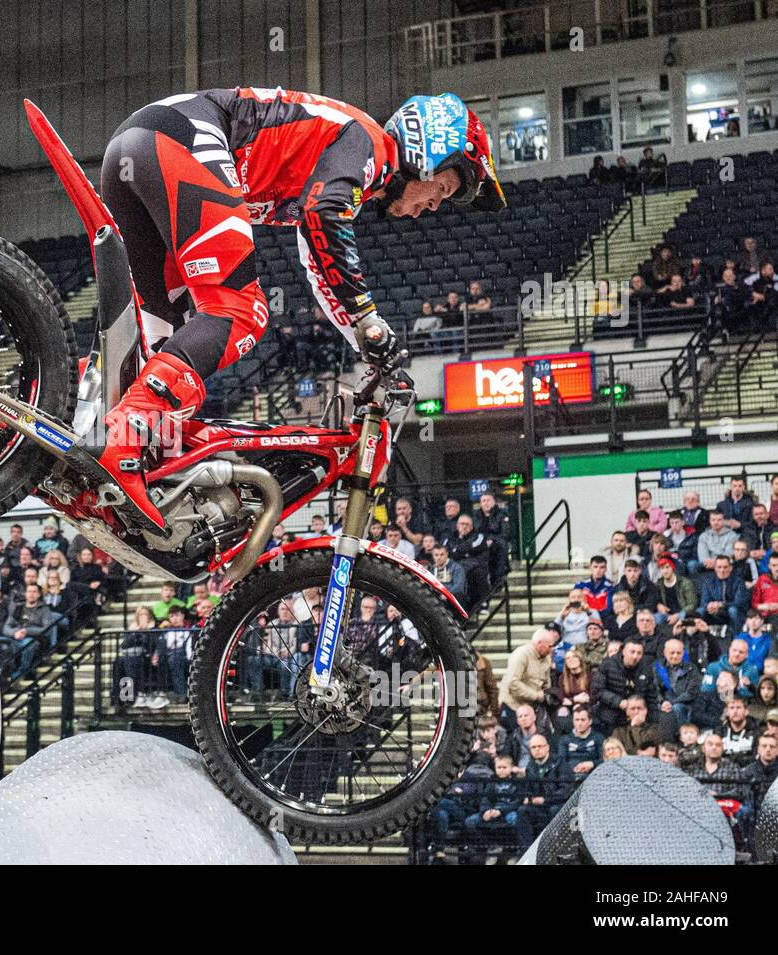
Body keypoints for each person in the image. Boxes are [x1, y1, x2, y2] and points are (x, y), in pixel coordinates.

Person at [91, 88, 505, 530]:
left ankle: (90, 442)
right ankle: (123, 436)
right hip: (180, 137)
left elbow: (318, 266)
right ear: (428, 150)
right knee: (239, 311)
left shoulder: (342, 167)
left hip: (134, 147)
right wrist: (371, 324)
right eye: (441, 188)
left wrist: (369, 340)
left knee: (167, 343)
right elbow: (323, 216)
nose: (433, 206)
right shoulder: (369, 143)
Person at [464, 755, 532, 856]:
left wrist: (501, 811)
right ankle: (489, 846)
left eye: (504, 767)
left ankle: (514, 849)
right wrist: (485, 811)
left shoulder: (517, 782)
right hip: (493, 809)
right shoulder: (492, 782)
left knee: (514, 819)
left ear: (511, 768)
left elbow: (518, 801)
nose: (501, 770)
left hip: (509, 810)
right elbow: (485, 799)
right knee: (469, 821)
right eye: (498, 768)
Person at [591, 639, 660, 733]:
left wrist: (653, 720)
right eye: (632, 652)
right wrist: (618, 701)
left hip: (637, 713)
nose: (635, 656)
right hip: (611, 713)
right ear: (623, 651)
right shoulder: (607, 665)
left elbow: (651, 697)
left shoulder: (646, 668)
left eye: (639, 653)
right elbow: (597, 690)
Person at [498, 629, 555, 729]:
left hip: (531, 707)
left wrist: (547, 693)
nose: (552, 649)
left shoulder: (547, 657)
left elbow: (546, 682)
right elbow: (513, 683)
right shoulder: (521, 654)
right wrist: (536, 695)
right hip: (512, 705)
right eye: (550, 646)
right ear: (539, 643)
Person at [654, 637, 701, 730]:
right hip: (662, 704)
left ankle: (681, 736)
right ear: (665, 653)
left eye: (678, 653)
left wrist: (672, 703)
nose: (675, 656)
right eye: (672, 653)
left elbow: (692, 692)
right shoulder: (657, 668)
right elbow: (655, 689)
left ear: (683, 653)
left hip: (684, 704)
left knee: (677, 708)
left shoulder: (692, 669)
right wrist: (662, 703)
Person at [698, 554, 749, 633]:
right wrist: (710, 606)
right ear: (715, 568)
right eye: (719, 567)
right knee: (700, 611)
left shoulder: (739, 581)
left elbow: (739, 603)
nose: (722, 570)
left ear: (730, 568)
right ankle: (699, 638)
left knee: (733, 610)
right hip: (714, 613)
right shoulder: (708, 581)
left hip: (732, 613)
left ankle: (737, 636)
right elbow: (704, 602)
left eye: (725, 567)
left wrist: (721, 605)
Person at [557, 705, 604, 776]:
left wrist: (592, 764)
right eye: (577, 720)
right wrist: (573, 768)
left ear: (590, 721)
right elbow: (561, 762)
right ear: (573, 721)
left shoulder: (599, 737)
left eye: (583, 720)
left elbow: (605, 760)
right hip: (571, 776)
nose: (579, 723)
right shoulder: (564, 739)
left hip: (593, 775)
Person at [719, 697, 759, 767]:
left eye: (738, 708)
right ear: (727, 712)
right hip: (724, 771)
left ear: (746, 711)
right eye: (732, 708)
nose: (735, 711)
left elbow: (756, 757)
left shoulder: (756, 732)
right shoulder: (719, 732)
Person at [744, 732, 778, 801]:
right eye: (764, 746)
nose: (768, 749)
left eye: (772, 746)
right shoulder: (748, 771)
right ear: (758, 749)